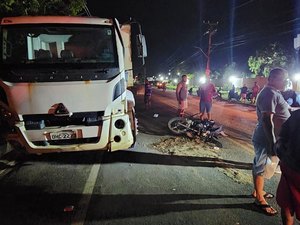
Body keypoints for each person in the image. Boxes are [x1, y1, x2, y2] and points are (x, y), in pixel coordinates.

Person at [251, 68, 291, 216]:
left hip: (270, 138)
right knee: (260, 166)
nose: (285, 81)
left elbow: (284, 110)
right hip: (265, 138)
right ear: (272, 78)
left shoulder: (275, 92)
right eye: (282, 79)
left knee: (265, 166)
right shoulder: (269, 93)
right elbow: (267, 120)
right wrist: (271, 142)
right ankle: (259, 199)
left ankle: (258, 191)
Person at [275, 109, 300, 225]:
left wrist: (283, 156)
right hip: (291, 169)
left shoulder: (296, 114)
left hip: (290, 168)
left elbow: (281, 138)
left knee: (287, 203)